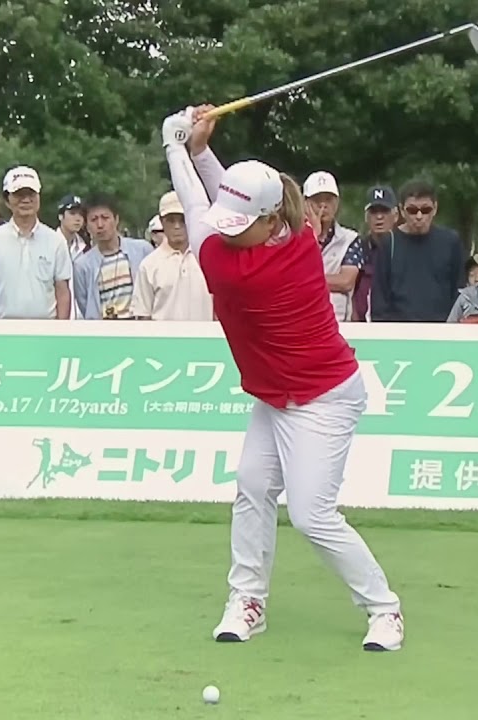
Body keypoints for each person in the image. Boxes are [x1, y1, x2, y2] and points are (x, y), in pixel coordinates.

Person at [162, 105, 404, 652]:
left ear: (270, 222)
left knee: (312, 514)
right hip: (276, 395)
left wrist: (175, 147)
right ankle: (247, 600)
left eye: (240, 226)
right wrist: (202, 151)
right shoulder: (297, 232)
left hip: (325, 397)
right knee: (252, 487)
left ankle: (384, 608)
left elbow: (199, 207)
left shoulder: (237, 268)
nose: (229, 232)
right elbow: (227, 202)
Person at [0, 166, 73, 319]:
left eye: (31, 194)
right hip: (3, 329)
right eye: (19, 195)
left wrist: (61, 330)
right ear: (7, 200)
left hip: (46, 328)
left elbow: (62, 291)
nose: (26, 200)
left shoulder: (56, 241)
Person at [369, 179, 466, 322]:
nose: (419, 216)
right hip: (399, 328)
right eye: (412, 210)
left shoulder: (451, 241)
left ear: (435, 208)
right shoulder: (389, 243)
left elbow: (459, 289)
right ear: (402, 210)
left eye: (426, 210)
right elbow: (379, 296)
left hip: (442, 327)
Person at [132, 191, 213, 321]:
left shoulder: (208, 259)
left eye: (182, 220)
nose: (177, 226)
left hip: (205, 333)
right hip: (162, 334)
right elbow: (143, 314)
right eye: (170, 220)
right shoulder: (149, 265)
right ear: (161, 222)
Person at [73, 195, 154, 319]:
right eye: (94, 220)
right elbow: (84, 304)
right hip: (103, 327)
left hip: (138, 325)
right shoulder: (82, 266)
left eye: (105, 218)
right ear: (87, 226)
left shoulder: (142, 250)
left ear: (116, 220)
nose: (100, 225)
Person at [304, 171, 365, 322]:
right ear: (305, 203)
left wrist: (303, 281)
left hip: (338, 322)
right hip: (301, 320)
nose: (323, 205)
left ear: (337, 203)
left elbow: (346, 282)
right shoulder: (291, 237)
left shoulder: (350, 239)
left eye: (328, 200)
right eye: (317, 200)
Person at [352, 186, 398, 321]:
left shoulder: (403, 248)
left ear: (395, 216)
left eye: (385, 211)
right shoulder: (357, 247)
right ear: (366, 217)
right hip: (359, 324)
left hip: (396, 323)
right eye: (373, 212)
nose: (379, 217)